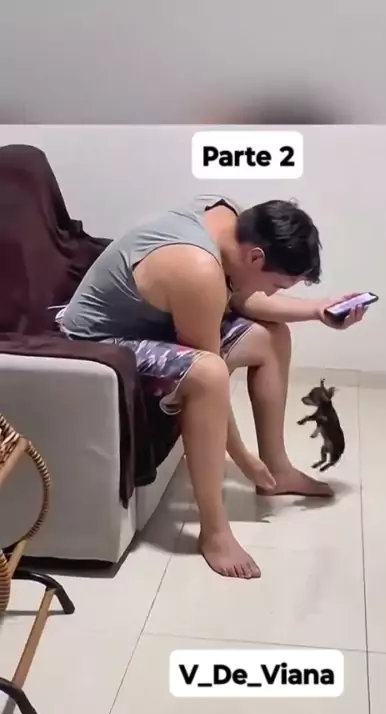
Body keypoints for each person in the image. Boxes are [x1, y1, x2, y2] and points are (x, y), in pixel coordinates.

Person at [60, 195, 366, 579]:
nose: (274, 293)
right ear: (255, 257)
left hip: (153, 323)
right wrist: (242, 457)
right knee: (208, 374)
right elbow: (210, 371)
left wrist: (319, 309)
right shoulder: (199, 269)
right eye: (277, 284)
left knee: (272, 338)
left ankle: (279, 471)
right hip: (96, 343)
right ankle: (215, 532)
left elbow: (244, 299)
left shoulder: (229, 218)